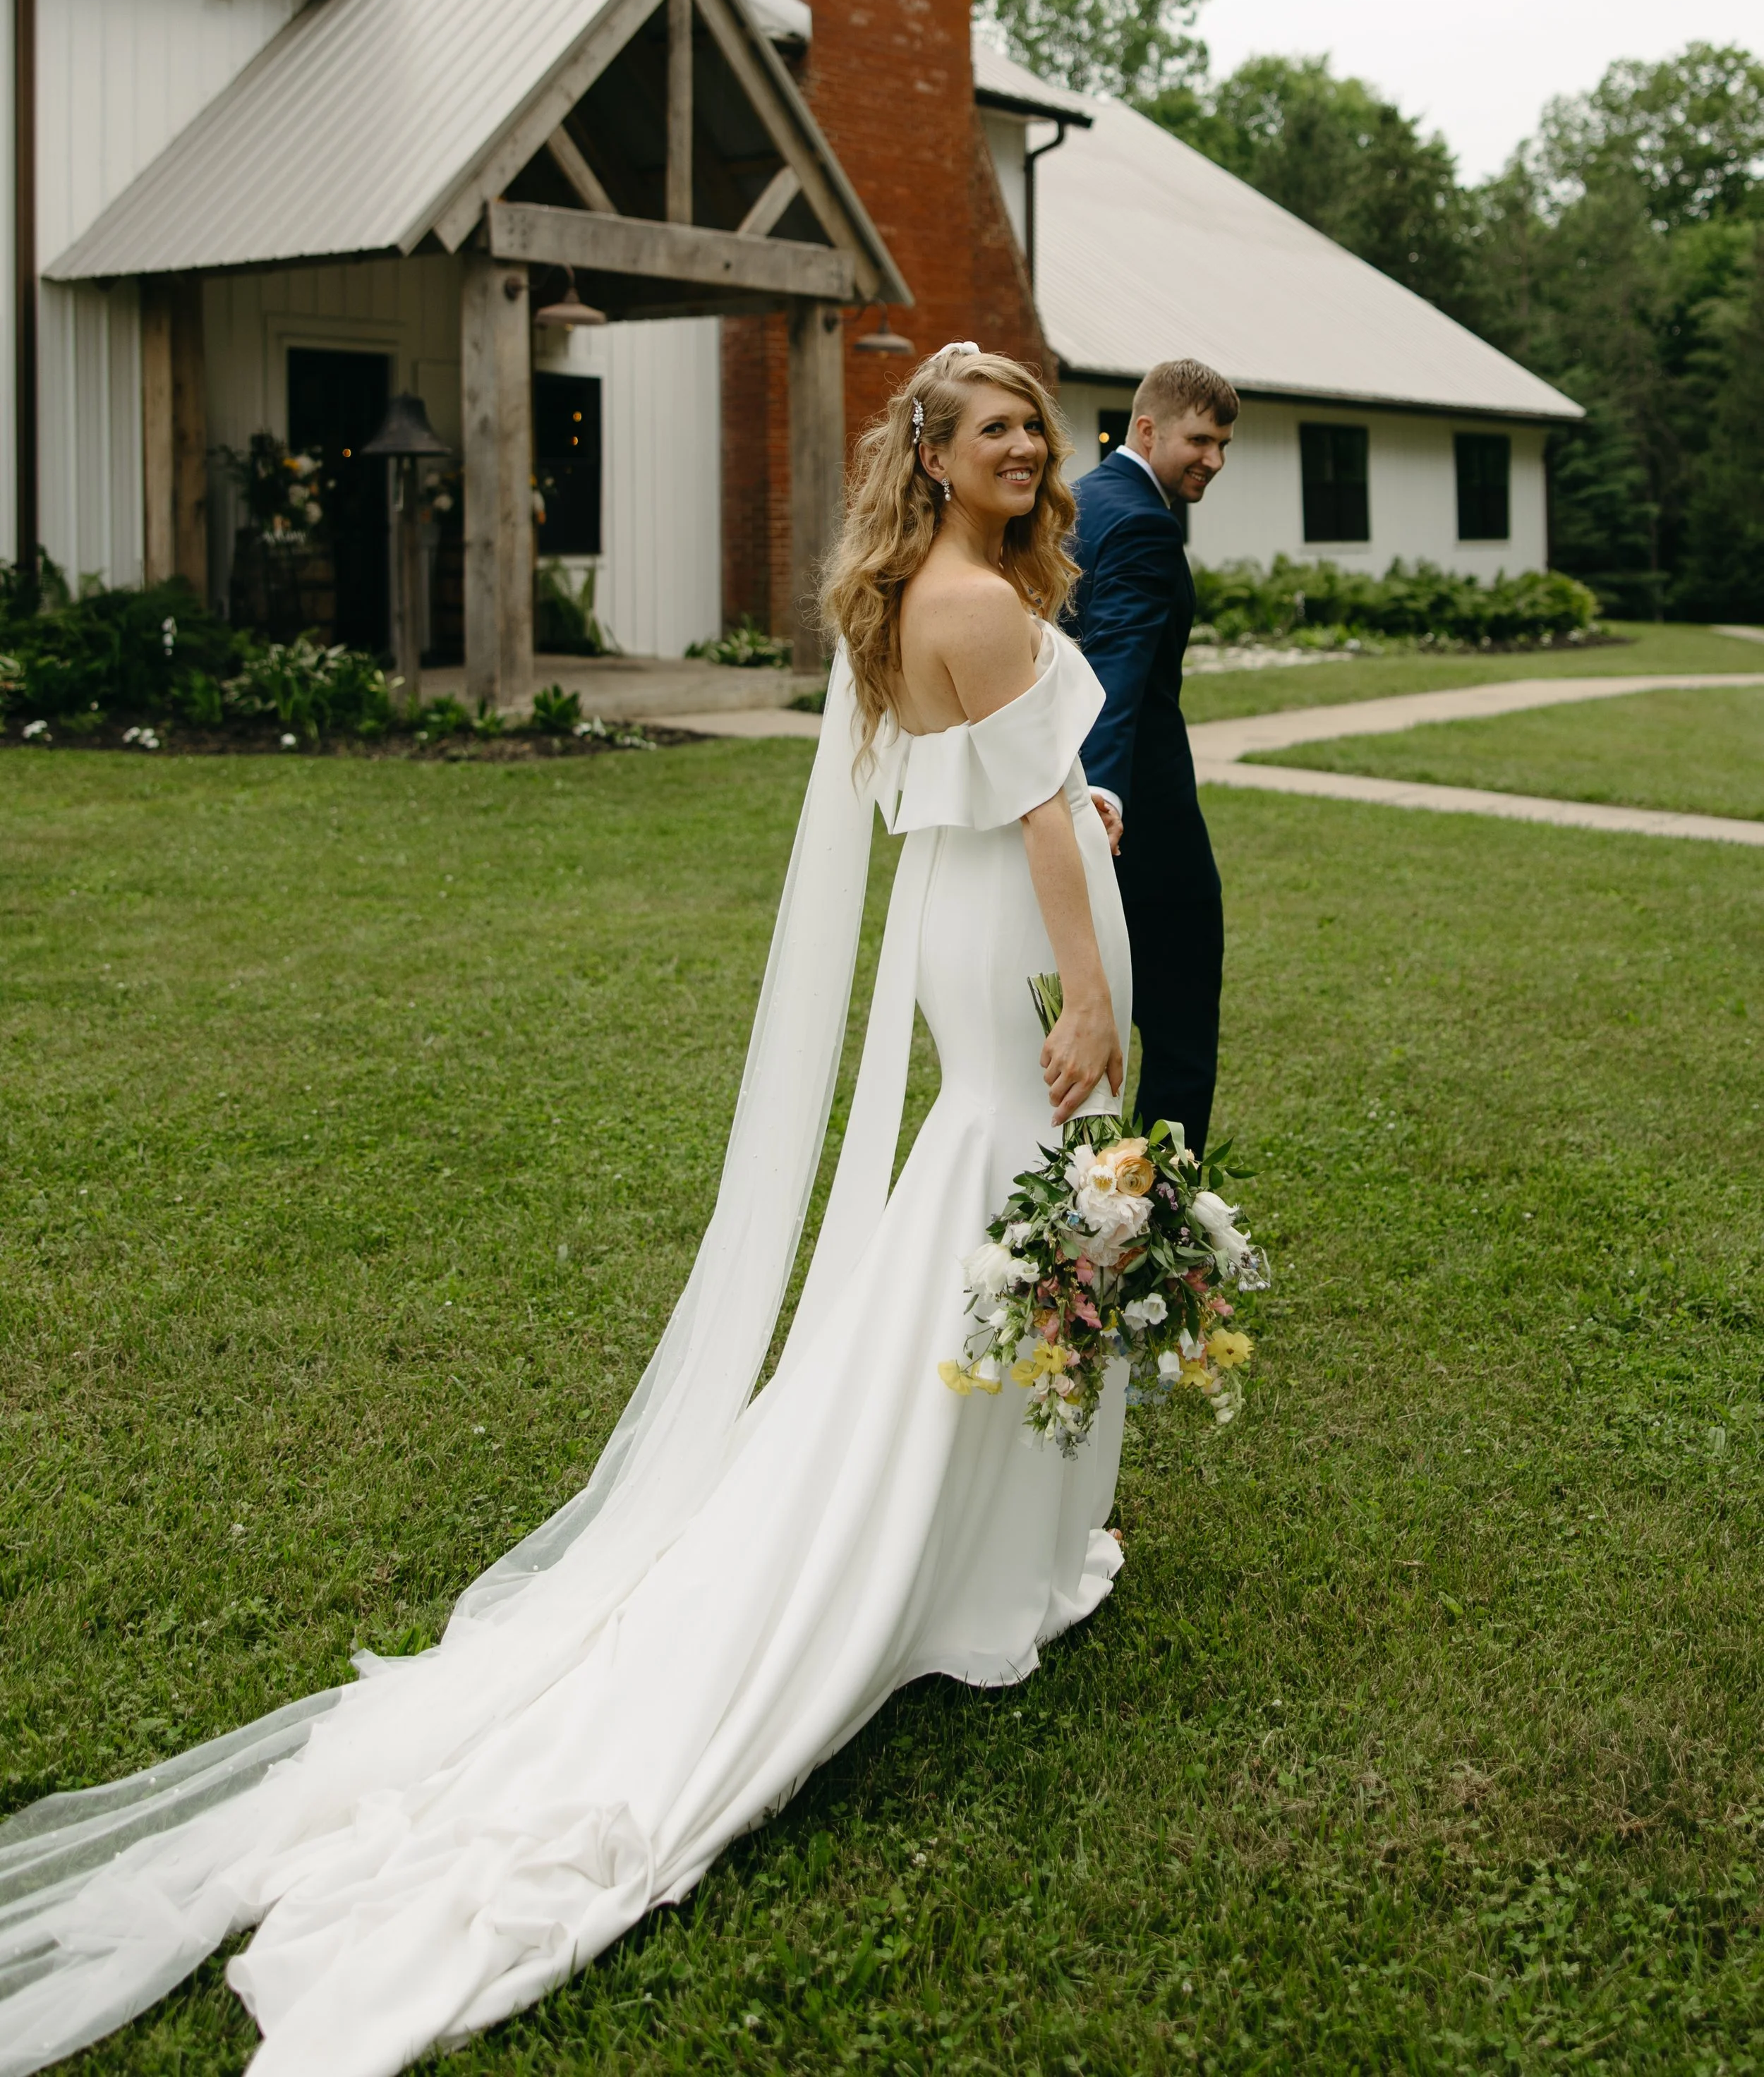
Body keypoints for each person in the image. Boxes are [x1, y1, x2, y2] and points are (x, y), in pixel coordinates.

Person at [0, 346, 1132, 2077]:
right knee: (1011, 1189)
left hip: (978, 932)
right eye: (996, 427)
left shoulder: (929, 591)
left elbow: (963, 794)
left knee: (999, 1197)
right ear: (932, 453)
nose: (1026, 445)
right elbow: (1035, 806)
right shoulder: (975, 596)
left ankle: (993, 1524)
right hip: (1019, 957)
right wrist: (1086, 993)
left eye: (1034, 427)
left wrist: (1075, 835)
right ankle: (935, 1537)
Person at [1065, 358, 1238, 1158]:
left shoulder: (1074, 501)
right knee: (1178, 1025)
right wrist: (1101, 800)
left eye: (1224, 444)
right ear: (1147, 428)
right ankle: (1167, 1199)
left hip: (1059, 789)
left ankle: (1091, 1187)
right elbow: (1118, 668)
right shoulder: (1143, 521)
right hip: (1143, 816)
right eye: (1200, 439)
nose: (1214, 459)